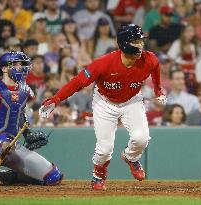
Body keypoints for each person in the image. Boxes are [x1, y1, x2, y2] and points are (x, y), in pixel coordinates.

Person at [39, 24, 167, 190]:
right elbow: (78, 82)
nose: (141, 45)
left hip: (132, 100)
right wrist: (56, 99)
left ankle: (131, 157)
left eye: (141, 41)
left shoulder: (150, 60)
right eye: (136, 41)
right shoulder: (103, 63)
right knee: (105, 149)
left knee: (141, 139)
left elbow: (156, 72)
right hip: (104, 102)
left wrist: (158, 91)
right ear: (125, 43)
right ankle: (98, 175)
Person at [0, 51, 63, 186]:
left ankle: (7, 176)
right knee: (2, 141)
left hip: (12, 145)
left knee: (53, 177)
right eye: (16, 64)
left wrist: (27, 134)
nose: (21, 67)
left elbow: (18, 114)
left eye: (22, 64)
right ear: (4, 68)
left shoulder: (24, 90)